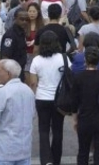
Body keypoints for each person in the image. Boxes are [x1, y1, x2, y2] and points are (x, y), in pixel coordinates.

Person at [29, 31, 69, 165]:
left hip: (42, 98)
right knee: (58, 131)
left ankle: (46, 160)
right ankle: (56, 159)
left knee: (43, 130)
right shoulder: (64, 58)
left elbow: (33, 83)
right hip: (59, 99)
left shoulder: (36, 60)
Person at [0, 59, 36, 165]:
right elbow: (32, 115)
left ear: (8, 74)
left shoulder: (2, 92)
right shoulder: (29, 91)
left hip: (4, 150)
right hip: (24, 149)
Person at [0, 10, 29, 81]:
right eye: (22, 19)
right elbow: (5, 56)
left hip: (20, 69)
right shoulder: (10, 35)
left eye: (26, 20)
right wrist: (8, 75)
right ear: (15, 19)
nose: (24, 22)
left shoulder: (22, 32)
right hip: (12, 73)